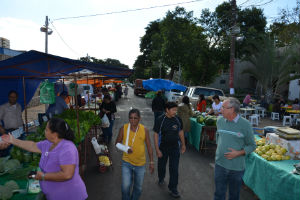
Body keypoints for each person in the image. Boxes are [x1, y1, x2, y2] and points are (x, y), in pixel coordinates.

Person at [1, 118, 88, 200]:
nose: (44, 131)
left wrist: (42, 176)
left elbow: (67, 175)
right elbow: (32, 145)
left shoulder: (67, 148)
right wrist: (12, 140)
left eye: (46, 130)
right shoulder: (48, 144)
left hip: (69, 196)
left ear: (54, 134)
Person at [214, 97, 256, 200]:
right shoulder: (219, 121)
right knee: (219, 194)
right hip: (220, 164)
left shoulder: (245, 125)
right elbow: (218, 138)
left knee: (234, 195)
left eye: (223, 107)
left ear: (232, 109)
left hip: (236, 168)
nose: (220, 110)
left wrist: (238, 153)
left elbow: (252, 145)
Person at [115, 109, 154, 200]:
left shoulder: (144, 130)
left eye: (135, 118)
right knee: (125, 187)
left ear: (139, 119)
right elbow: (117, 143)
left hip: (140, 164)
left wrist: (151, 162)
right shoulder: (123, 128)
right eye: (131, 118)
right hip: (127, 162)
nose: (132, 120)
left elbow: (149, 146)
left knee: (138, 188)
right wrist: (125, 149)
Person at [153, 102, 186, 198]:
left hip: (175, 147)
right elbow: (155, 135)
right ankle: (161, 177)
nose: (175, 112)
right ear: (167, 110)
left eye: (176, 110)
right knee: (162, 165)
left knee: (174, 168)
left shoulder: (178, 119)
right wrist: (157, 149)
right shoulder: (160, 120)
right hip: (163, 147)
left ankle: (173, 188)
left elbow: (180, 132)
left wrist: (183, 145)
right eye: (173, 110)